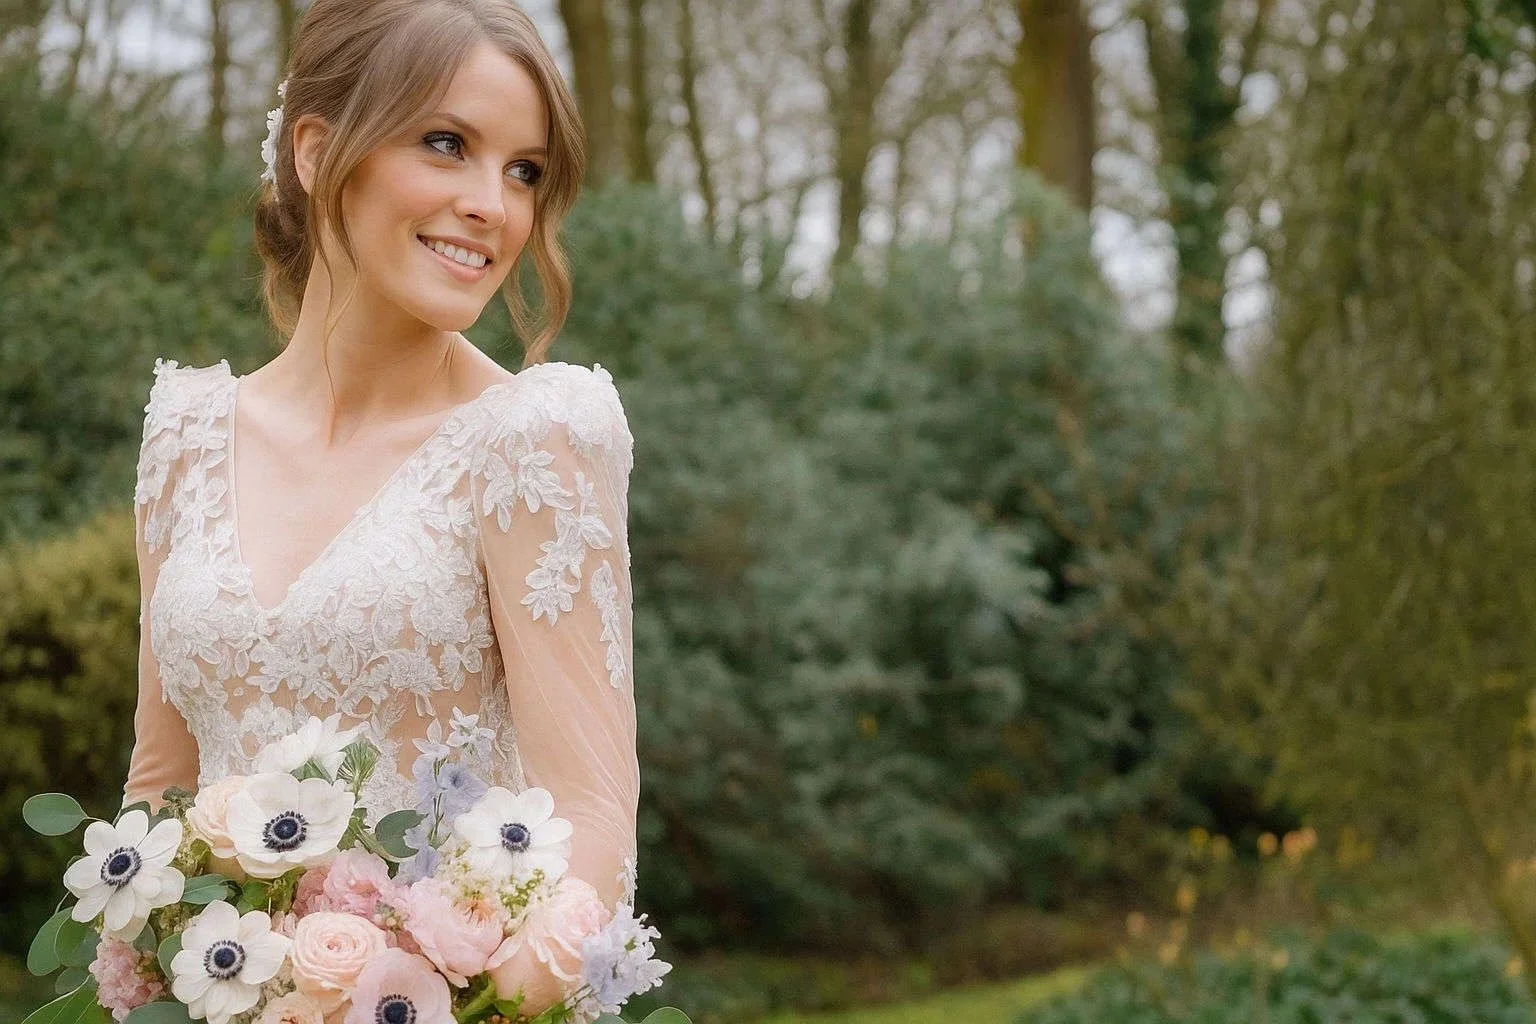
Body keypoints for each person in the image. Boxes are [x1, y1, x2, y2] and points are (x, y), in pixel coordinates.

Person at [119, 0, 639, 913]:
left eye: (524, 172)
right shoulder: (186, 439)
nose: (492, 204)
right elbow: (159, 788)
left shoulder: (532, 439)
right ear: (318, 151)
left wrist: (471, 995)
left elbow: (593, 816)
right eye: (446, 143)